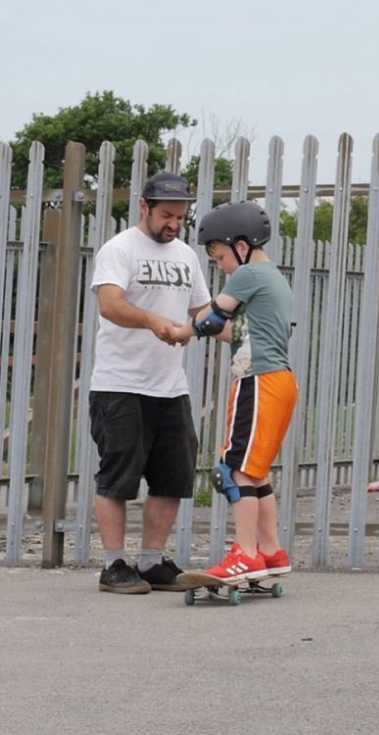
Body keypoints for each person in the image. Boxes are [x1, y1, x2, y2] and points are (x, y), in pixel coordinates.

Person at [90, 172, 209, 594]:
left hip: (170, 385)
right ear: (144, 207)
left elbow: (202, 310)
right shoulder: (119, 250)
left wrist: (207, 328)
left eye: (180, 216)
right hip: (120, 383)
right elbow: (110, 305)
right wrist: (153, 321)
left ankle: (153, 561)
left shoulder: (186, 256)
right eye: (166, 215)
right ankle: (114, 564)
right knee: (118, 476)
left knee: (173, 476)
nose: (174, 224)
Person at [169, 201, 298, 583]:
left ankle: (244, 554)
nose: (220, 265)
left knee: (233, 471)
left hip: (258, 382)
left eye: (221, 256)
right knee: (256, 474)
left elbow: (211, 319)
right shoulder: (273, 277)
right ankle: (271, 552)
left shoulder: (248, 275)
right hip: (278, 382)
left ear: (242, 246)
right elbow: (236, 332)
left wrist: (180, 331)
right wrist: (195, 331)